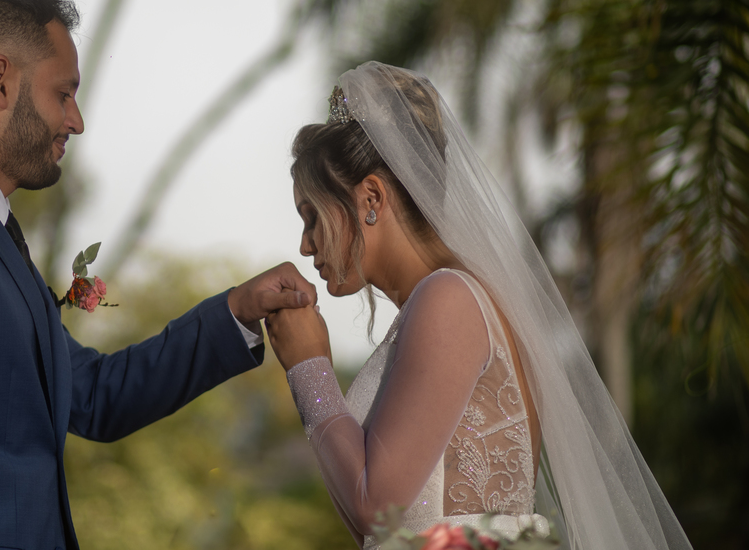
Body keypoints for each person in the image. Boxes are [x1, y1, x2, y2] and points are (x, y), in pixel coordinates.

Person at [0, 0, 314, 550]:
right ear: (0, 81)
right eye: (64, 93)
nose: (76, 121)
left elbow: (95, 396)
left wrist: (237, 311)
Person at [264, 62, 692, 550]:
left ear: (372, 198)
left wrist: (309, 369)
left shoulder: (449, 300)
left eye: (312, 217)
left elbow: (375, 508)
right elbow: (376, 528)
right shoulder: (442, 300)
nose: (305, 245)